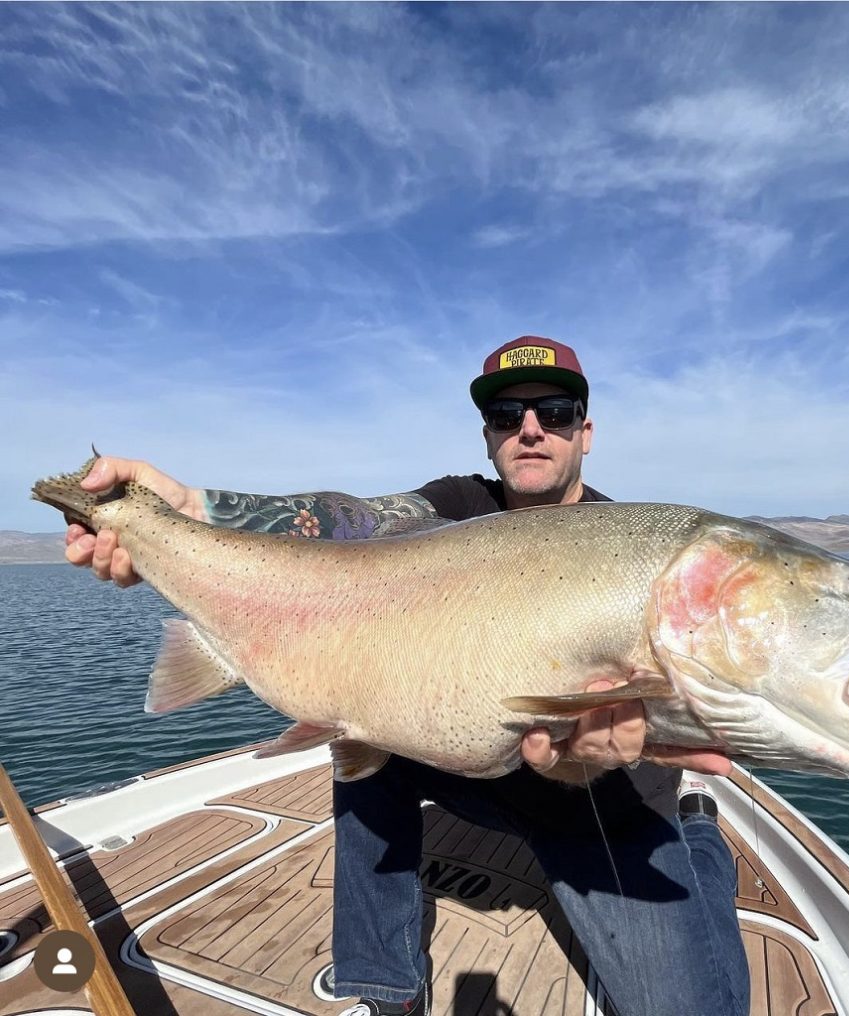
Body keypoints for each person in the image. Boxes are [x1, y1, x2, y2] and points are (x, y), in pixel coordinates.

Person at [66, 336, 751, 1016]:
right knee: (362, 743)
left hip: (598, 795)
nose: (531, 429)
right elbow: (349, 520)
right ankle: (386, 988)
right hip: (479, 768)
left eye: (555, 410)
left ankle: (696, 836)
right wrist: (190, 511)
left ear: (585, 431)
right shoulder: (449, 505)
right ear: (488, 437)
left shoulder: (625, 542)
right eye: (507, 417)